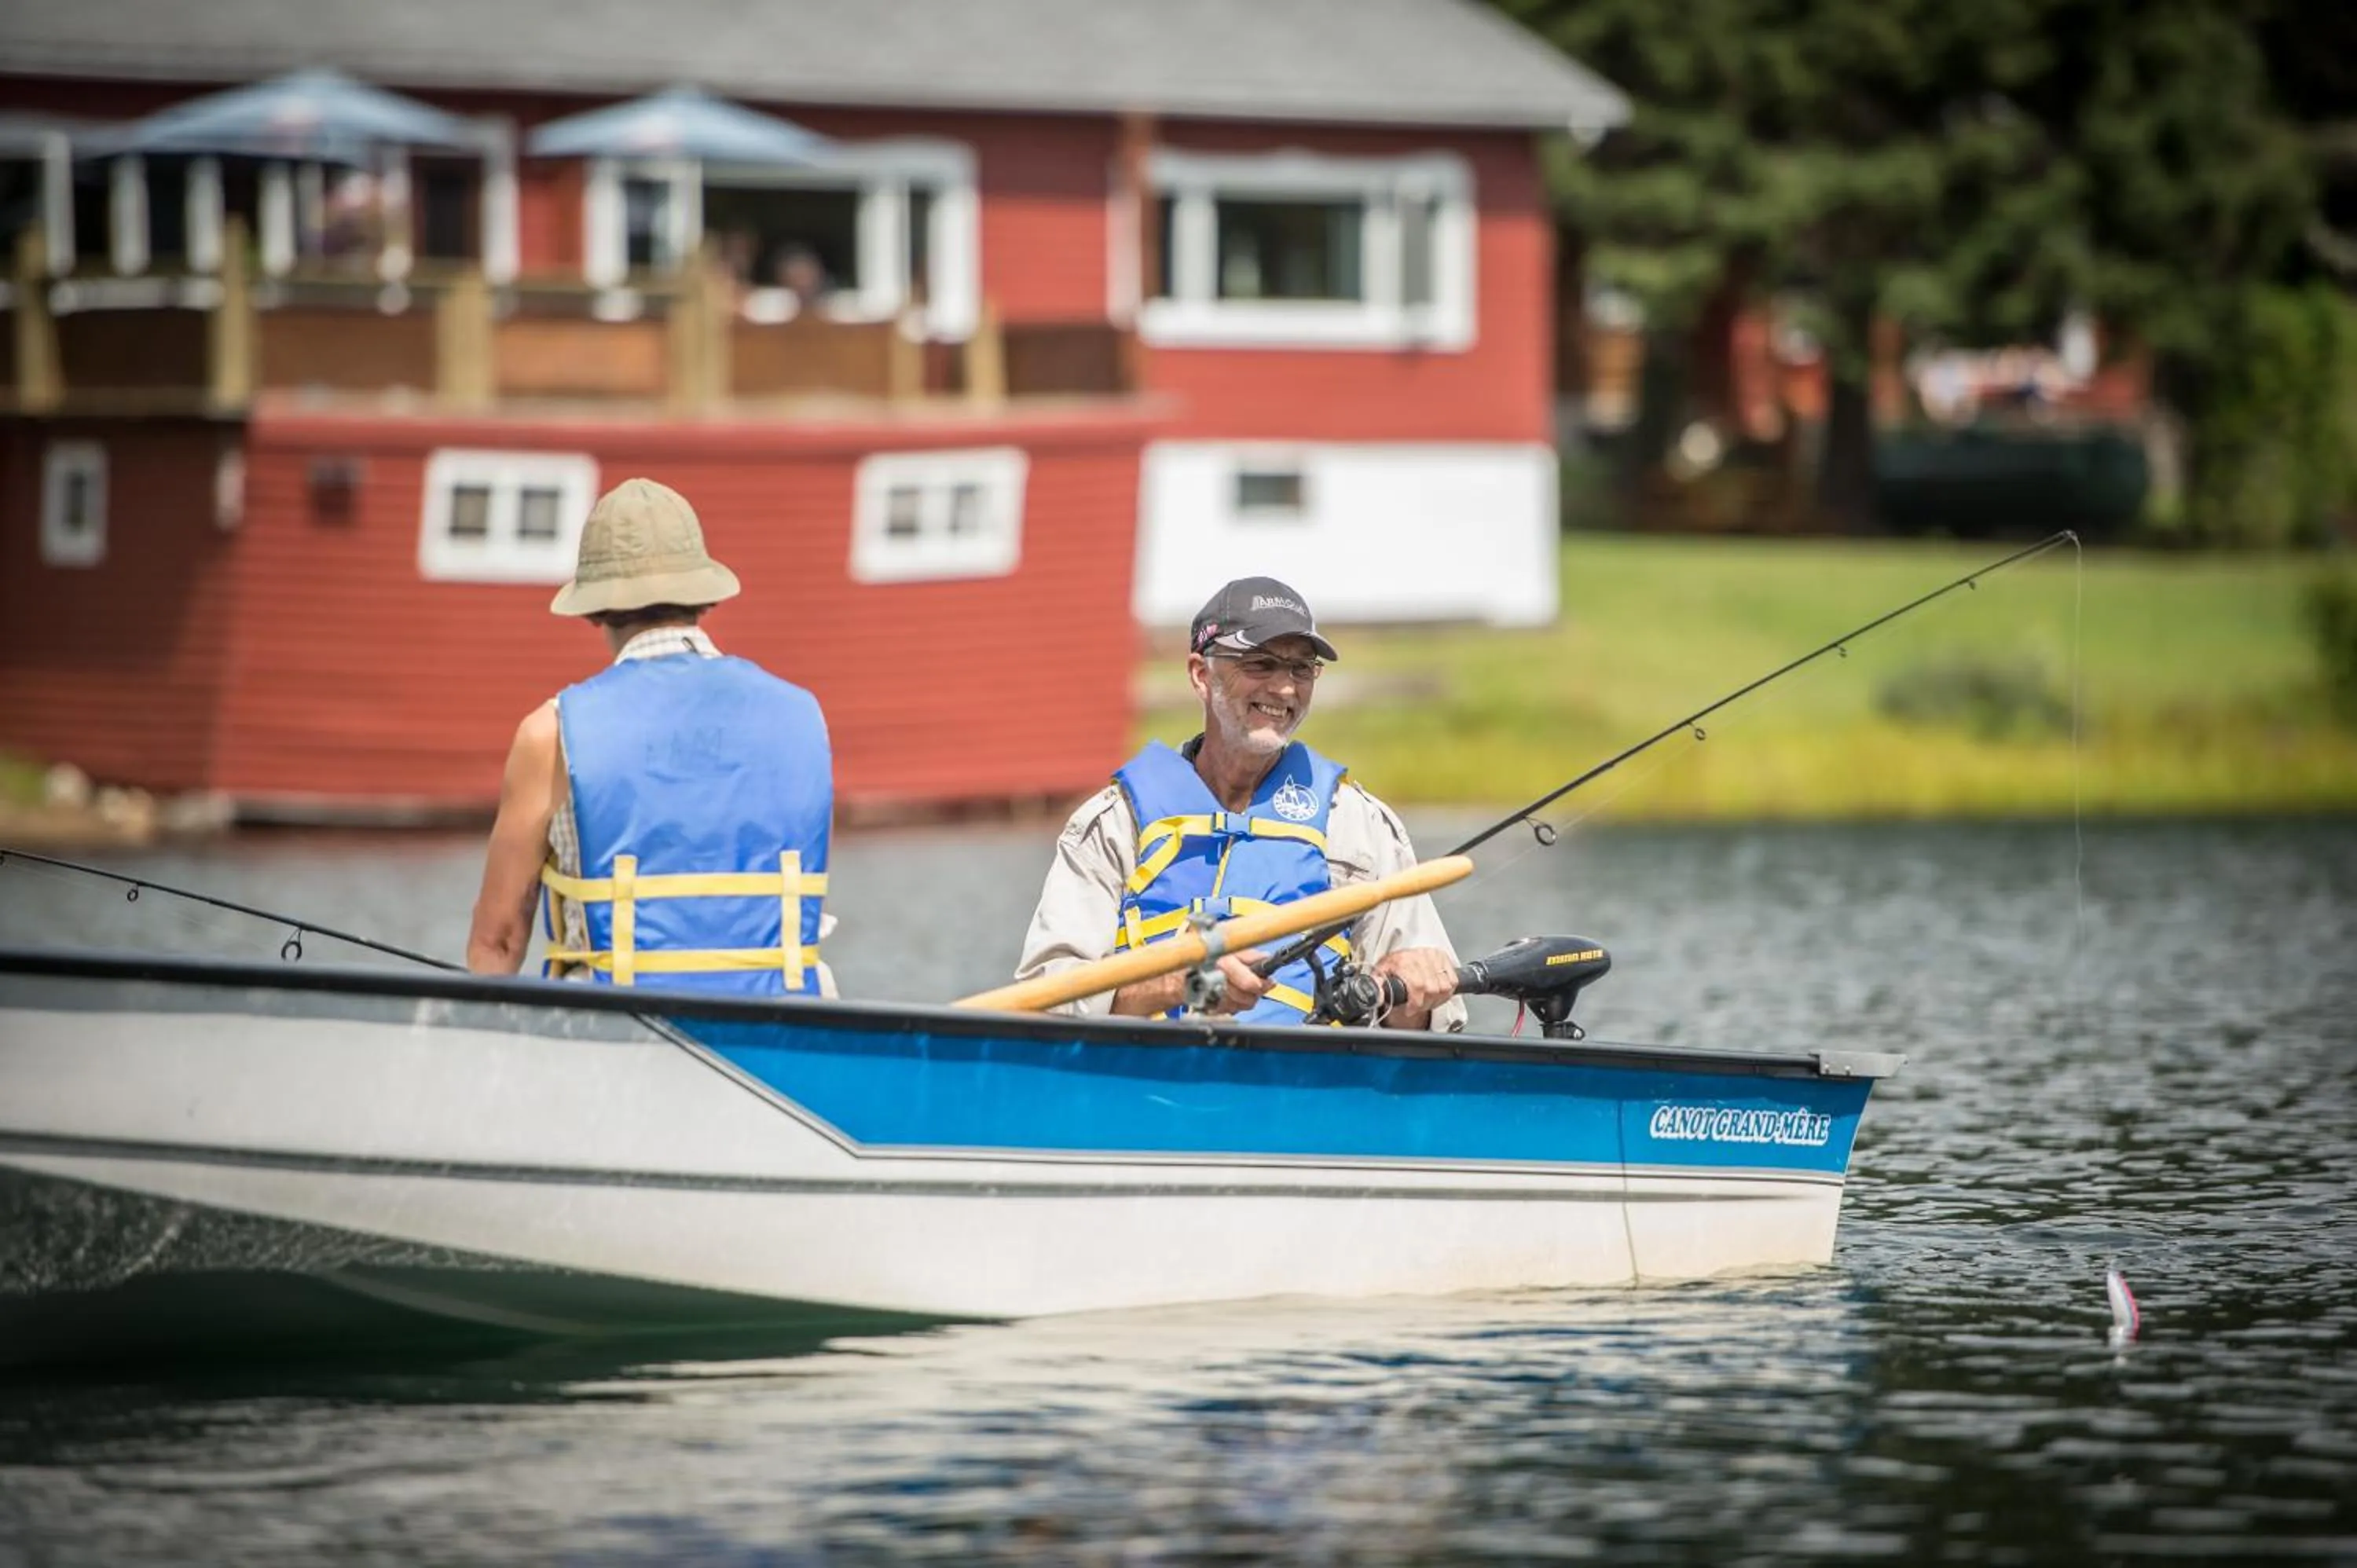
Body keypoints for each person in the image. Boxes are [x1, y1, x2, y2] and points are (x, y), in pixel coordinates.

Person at [1014, 577, 1465, 1031]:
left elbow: (1428, 1027)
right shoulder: (1113, 822)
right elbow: (1046, 999)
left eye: (1302, 669)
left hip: (1306, 1085)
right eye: (1261, 664)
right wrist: (1176, 984)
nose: (1285, 689)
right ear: (1200, 674)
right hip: (1149, 1083)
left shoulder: (1358, 823)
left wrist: (1415, 992)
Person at [465, 478, 834, 995]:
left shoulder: (551, 734)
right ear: (703, 598)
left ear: (593, 610)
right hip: (784, 1039)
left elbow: (498, 943)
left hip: (611, 1039)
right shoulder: (803, 716)